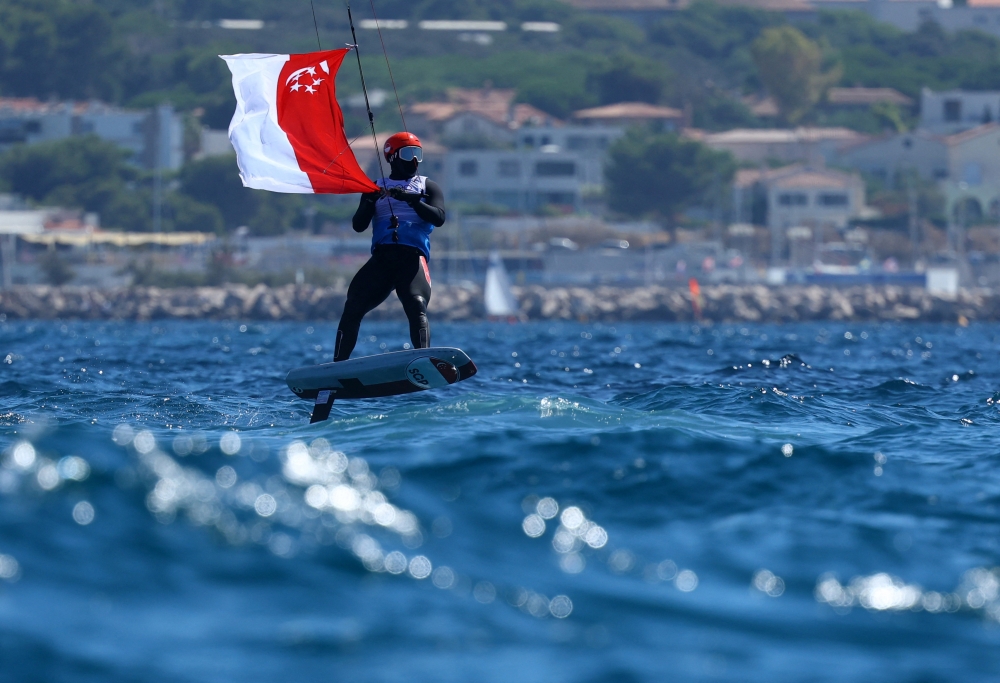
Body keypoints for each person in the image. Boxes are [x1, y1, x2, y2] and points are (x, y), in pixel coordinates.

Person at [334, 132, 446, 362]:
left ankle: (423, 359)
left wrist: (413, 200)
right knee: (353, 306)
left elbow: (439, 217)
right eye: (408, 154)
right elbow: (358, 225)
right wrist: (369, 201)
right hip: (383, 260)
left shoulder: (428, 186)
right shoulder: (374, 188)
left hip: (412, 260)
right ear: (392, 157)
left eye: (418, 154)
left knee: (416, 305)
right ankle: (337, 366)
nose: (414, 160)